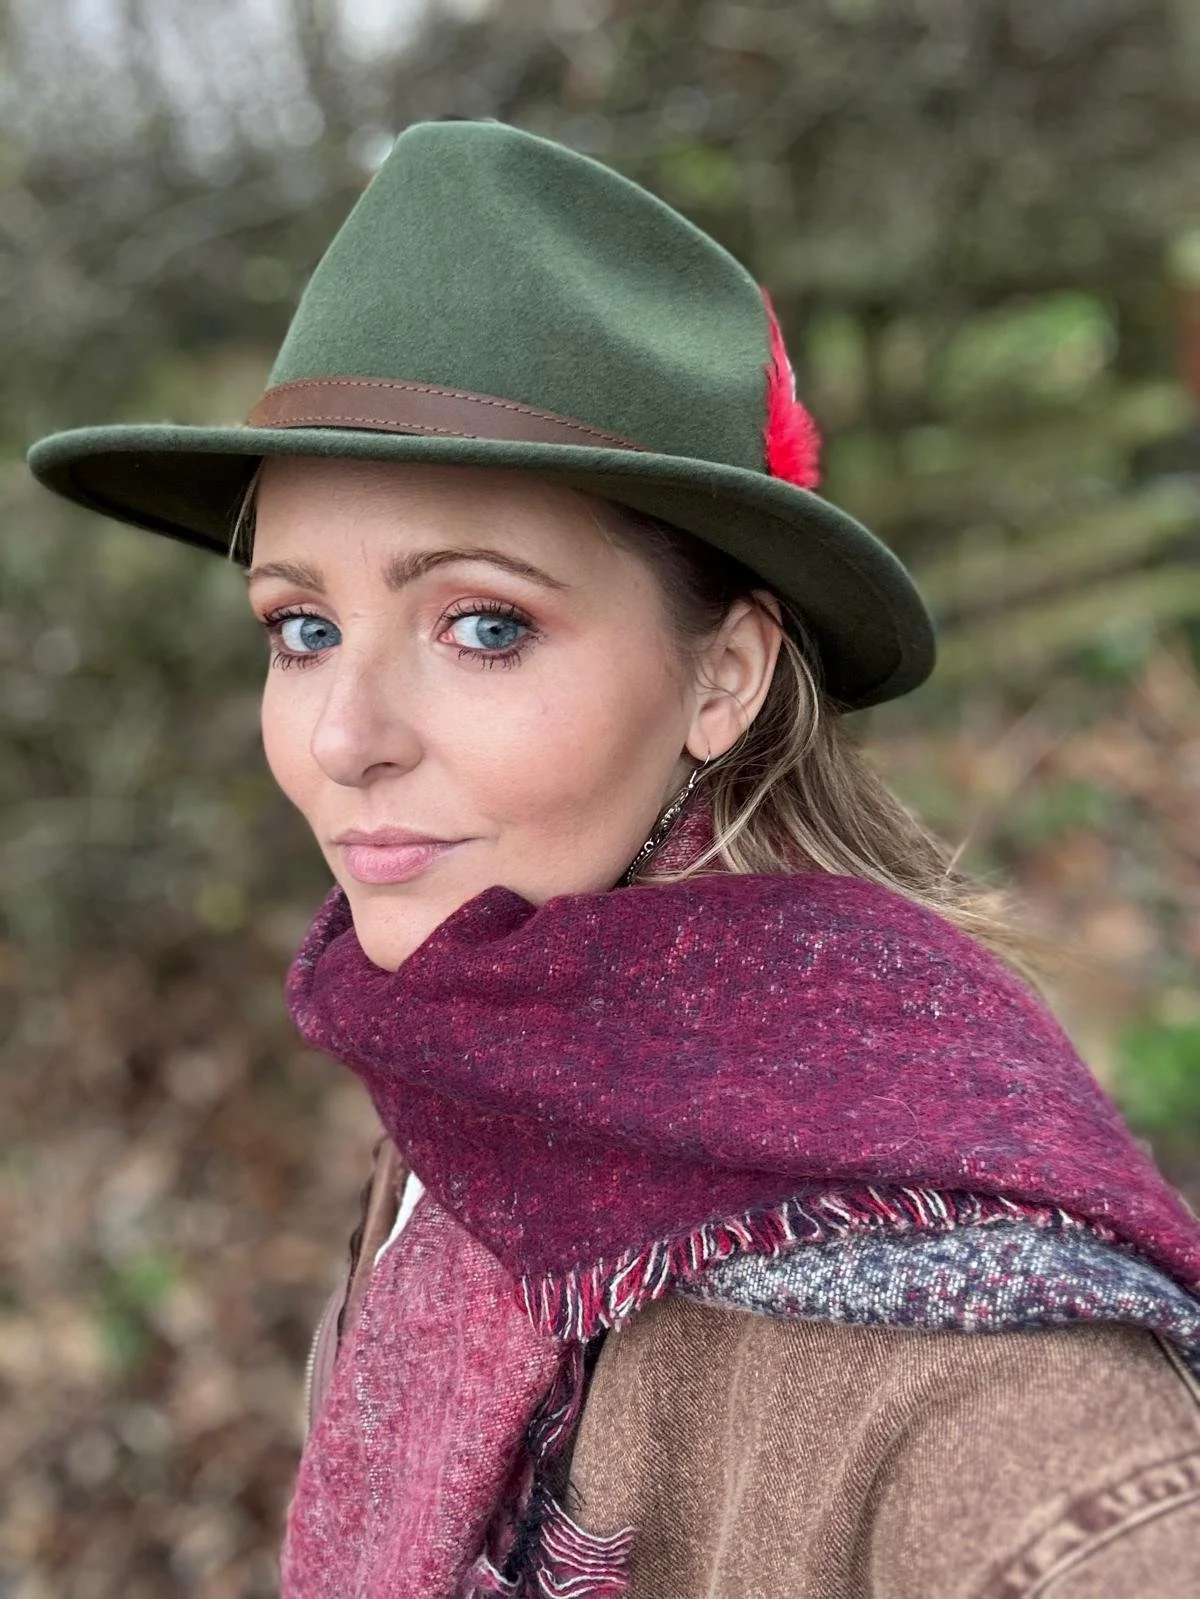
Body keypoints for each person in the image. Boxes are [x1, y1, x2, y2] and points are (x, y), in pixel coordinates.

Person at [28, 119, 1200, 1599]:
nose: (344, 736)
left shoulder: (966, 1346)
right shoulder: (486, 1050)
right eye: (301, 627)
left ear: (725, 678)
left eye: (484, 623)